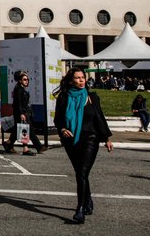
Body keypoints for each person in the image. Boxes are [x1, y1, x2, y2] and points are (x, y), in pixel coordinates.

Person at [54, 67, 113, 224]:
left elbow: (100, 117)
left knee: (82, 173)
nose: (81, 80)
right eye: (77, 78)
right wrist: (62, 129)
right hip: (71, 140)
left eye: (83, 78)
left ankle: (80, 209)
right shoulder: (64, 97)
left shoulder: (92, 97)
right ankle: (88, 200)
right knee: (80, 173)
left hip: (90, 139)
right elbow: (58, 119)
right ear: (71, 80)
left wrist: (106, 138)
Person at [2, 71, 47, 156]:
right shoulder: (18, 89)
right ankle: (34, 147)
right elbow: (18, 103)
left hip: (24, 112)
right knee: (26, 129)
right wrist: (21, 113)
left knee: (19, 129)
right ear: (20, 80)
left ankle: (8, 143)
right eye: (25, 79)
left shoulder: (22, 89)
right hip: (21, 113)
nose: (27, 81)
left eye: (27, 79)